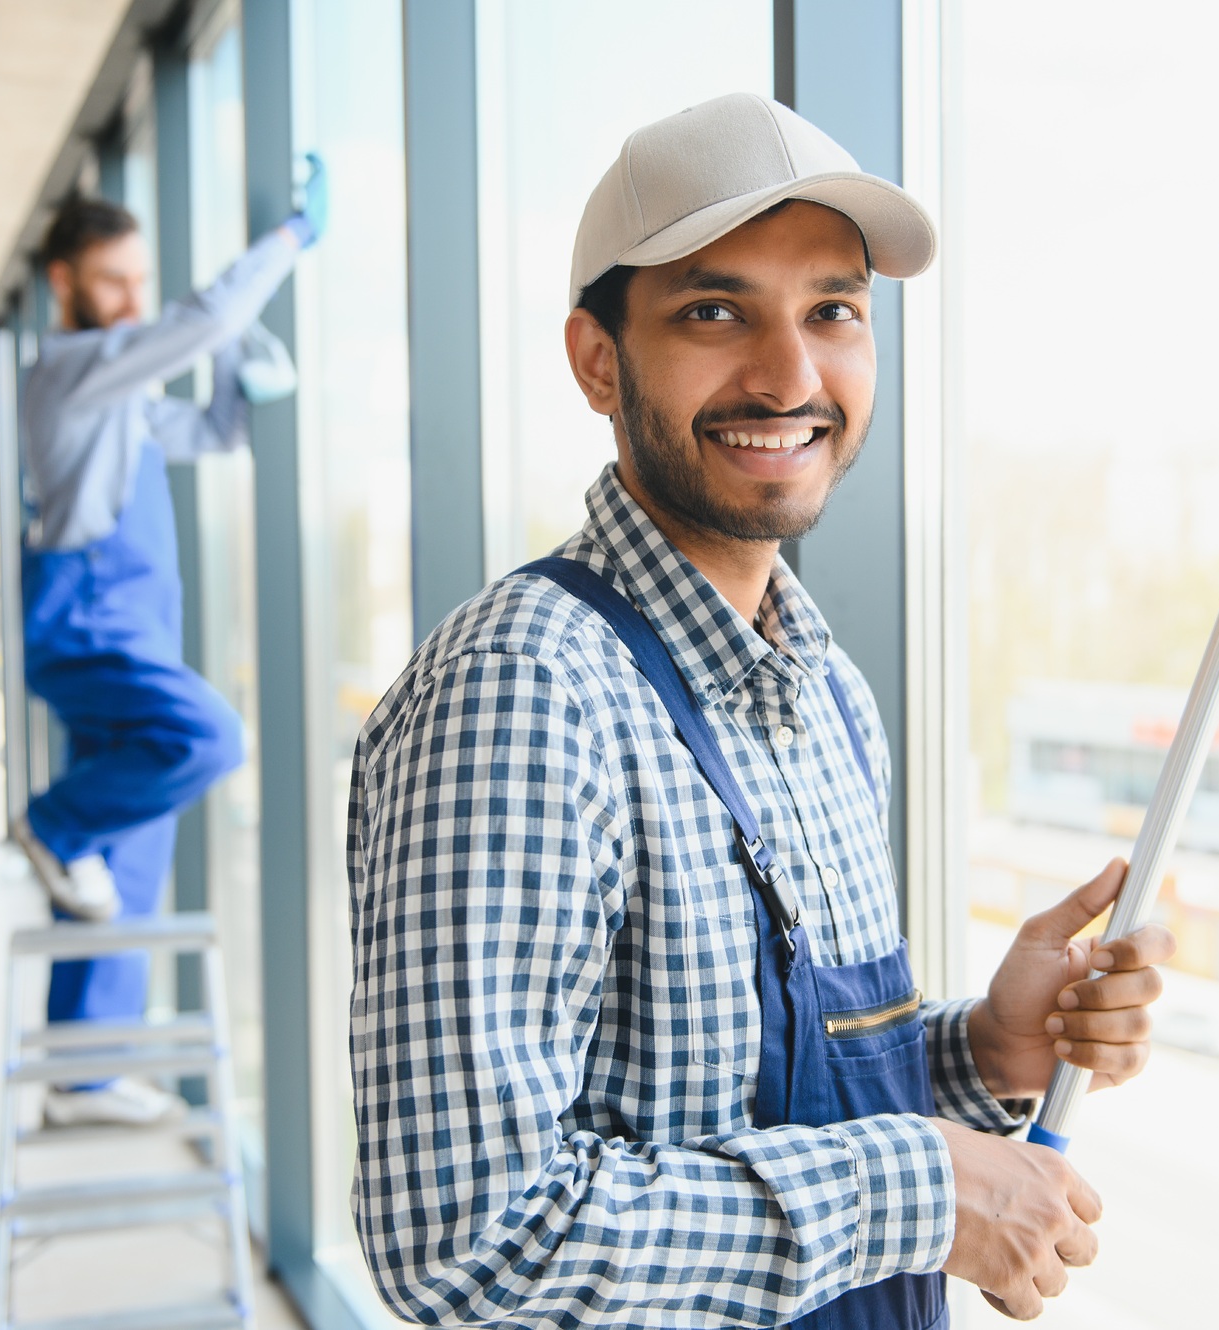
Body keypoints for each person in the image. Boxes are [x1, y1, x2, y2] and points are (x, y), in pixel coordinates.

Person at [347, 94, 1174, 1327]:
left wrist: (990, 1051)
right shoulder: (523, 694)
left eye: (832, 310)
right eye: (714, 311)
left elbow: (758, 1107)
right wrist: (927, 1186)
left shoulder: (826, 693)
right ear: (595, 358)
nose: (791, 376)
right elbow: (470, 1243)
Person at [11, 161, 328, 1128]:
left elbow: (217, 432)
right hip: (92, 629)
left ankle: (83, 1077)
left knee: (123, 875)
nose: (132, 302)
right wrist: (287, 242)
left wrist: (237, 372)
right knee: (211, 740)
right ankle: (51, 825)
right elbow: (198, 321)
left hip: (130, 635)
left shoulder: (123, 404)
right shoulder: (66, 372)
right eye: (114, 283)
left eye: (139, 282)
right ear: (64, 281)